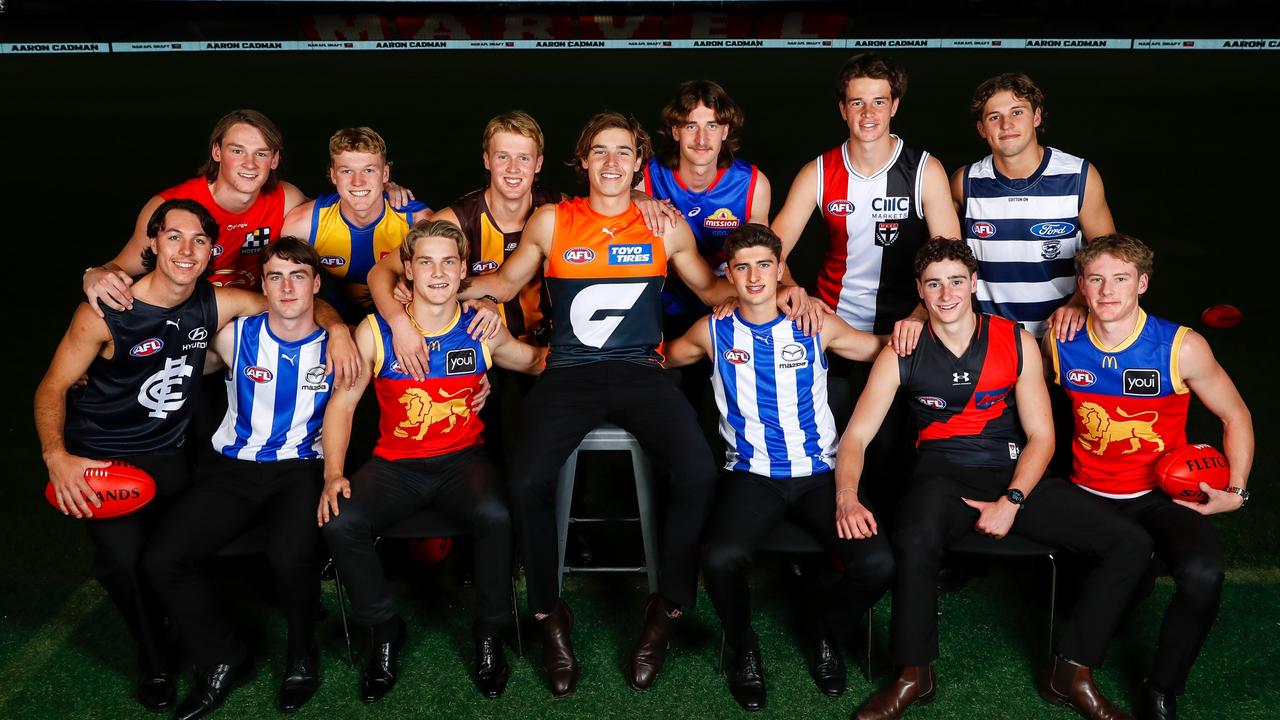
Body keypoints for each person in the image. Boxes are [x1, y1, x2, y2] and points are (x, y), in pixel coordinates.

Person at [459, 111, 760, 697]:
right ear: (583, 161)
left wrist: (775, 287)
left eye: (624, 152)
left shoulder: (664, 226)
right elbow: (502, 282)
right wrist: (432, 286)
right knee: (525, 481)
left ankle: (667, 610)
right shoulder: (552, 221)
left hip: (641, 371)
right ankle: (550, 616)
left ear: (639, 164)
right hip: (568, 372)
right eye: (601, 151)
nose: (613, 163)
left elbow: (707, 287)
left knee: (698, 470)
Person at [34, 200, 356, 712]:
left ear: (211, 253)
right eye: (175, 238)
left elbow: (288, 303)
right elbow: (52, 387)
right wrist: (57, 456)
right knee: (128, 563)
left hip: (169, 452)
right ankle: (163, 660)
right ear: (154, 244)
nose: (187, 250)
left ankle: (292, 655)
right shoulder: (106, 311)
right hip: (100, 453)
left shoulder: (216, 304)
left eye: (199, 241)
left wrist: (338, 327)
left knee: (188, 555)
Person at [840, 238, 1151, 720]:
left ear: (974, 285)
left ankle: (1073, 670)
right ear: (920, 292)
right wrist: (846, 497)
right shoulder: (903, 350)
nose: (947, 294)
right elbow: (857, 437)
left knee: (1129, 543)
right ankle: (912, 673)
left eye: (957, 282)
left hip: (1012, 474)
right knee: (914, 533)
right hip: (942, 479)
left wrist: (1013, 499)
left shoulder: (1015, 340)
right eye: (935, 284)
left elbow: (1041, 438)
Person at [663, 224, 892, 711]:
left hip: (821, 474)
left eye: (763, 265)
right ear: (729, 273)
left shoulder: (815, 324)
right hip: (752, 475)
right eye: (741, 267)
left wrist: (918, 328)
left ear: (780, 270)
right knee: (720, 558)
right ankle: (744, 647)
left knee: (877, 564)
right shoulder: (713, 331)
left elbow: (878, 350)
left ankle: (827, 633)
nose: (753, 276)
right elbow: (657, 360)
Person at [318, 220, 547, 703]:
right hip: (394, 465)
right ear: (409, 269)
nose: (438, 272)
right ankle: (384, 630)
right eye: (426, 261)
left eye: (448, 262)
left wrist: (594, 357)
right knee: (341, 523)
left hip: (463, 460)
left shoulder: (481, 326)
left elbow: (530, 361)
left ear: (463, 269)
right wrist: (333, 474)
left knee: (497, 515)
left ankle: (488, 632)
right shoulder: (377, 330)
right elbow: (341, 404)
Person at [1047, 233, 1253, 720]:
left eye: (1120, 279)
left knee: (1203, 573)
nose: (1107, 291)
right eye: (1095, 279)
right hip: (1087, 495)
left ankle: (1163, 685)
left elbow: (1235, 415)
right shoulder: (1060, 340)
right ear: (1081, 285)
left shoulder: (1180, 346)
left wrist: (1237, 490)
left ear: (1142, 283)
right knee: (1104, 599)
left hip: (1160, 495)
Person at [142, 238, 335, 720]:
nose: (286, 286)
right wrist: (102, 368)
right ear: (262, 285)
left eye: (297, 276)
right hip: (235, 467)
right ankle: (224, 656)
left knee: (290, 555)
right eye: (275, 276)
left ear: (316, 283)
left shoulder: (343, 346)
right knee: (163, 559)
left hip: (300, 467)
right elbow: (168, 360)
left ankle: (301, 653)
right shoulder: (234, 336)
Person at [771, 53, 961, 528]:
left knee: (901, 444)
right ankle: (832, 537)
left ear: (894, 105)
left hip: (909, 328)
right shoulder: (818, 171)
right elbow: (769, 251)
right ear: (842, 109)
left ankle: (903, 540)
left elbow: (952, 260)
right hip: (835, 328)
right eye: (858, 103)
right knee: (829, 436)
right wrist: (794, 289)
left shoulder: (924, 169)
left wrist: (921, 315)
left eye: (879, 102)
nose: (869, 114)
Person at [82, 109, 415, 309]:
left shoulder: (286, 199)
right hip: (186, 317)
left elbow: (343, 204)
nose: (249, 163)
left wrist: (384, 190)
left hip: (252, 315)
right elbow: (120, 267)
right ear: (217, 152)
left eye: (261, 153)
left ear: (274, 160)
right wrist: (94, 273)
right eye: (237, 151)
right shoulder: (171, 207)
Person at [954, 73, 1116, 341]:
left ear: (1037, 117)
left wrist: (1078, 302)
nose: (1007, 124)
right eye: (994, 117)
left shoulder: (1079, 176)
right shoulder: (965, 182)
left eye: (1017, 112)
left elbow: (1109, 257)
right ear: (982, 129)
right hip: (989, 337)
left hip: (1063, 333)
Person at [638, 80, 774, 336]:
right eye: (691, 126)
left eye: (712, 126)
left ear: (725, 131)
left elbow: (763, 255)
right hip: (662, 300)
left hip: (727, 299)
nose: (701, 139)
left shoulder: (752, 184)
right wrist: (634, 195)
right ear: (675, 131)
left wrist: (787, 290)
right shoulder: (646, 178)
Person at [281, 127, 432, 323]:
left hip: (400, 324)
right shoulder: (303, 224)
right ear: (333, 175)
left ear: (385, 174)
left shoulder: (418, 221)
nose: (357, 181)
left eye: (368, 170)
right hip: (330, 324)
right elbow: (283, 292)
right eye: (346, 171)